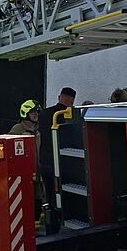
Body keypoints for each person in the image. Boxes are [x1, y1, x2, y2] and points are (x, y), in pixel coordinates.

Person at [37, 87, 76, 230]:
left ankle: (49, 228)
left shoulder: (45, 113)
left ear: (60, 97)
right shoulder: (67, 115)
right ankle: (56, 227)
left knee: (48, 197)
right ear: (71, 101)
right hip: (58, 164)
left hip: (44, 162)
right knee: (57, 198)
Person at [9, 99, 42, 225]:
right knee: (24, 201)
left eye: (37, 112)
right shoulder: (17, 129)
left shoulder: (38, 129)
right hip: (23, 174)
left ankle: (35, 231)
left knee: (37, 202)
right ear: (25, 113)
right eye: (33, 112)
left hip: (37, 173)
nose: (36, 115)